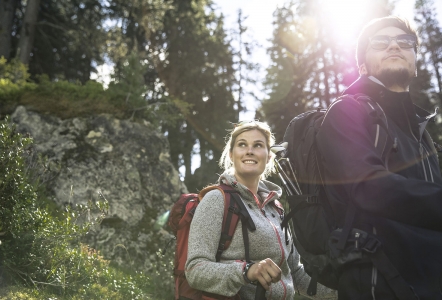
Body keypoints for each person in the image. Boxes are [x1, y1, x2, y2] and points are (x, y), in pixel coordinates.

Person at [316, 16, 442, 299]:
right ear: (362, 65)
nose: (394, 46)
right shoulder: (346, 111)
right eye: (380, 43)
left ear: (415, 61)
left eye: (405, 43)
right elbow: (367, 186)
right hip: (378, 281)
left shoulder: (423, 135)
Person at [185, 121, 295, 299]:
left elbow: (295, 272)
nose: (249, 151)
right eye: (242, 144)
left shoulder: (277, 208)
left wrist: (350, 283)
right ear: (231, 154)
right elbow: (195, 270)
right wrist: (246, 271)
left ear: (268, 157)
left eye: (258, 145)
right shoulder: (217, 199)